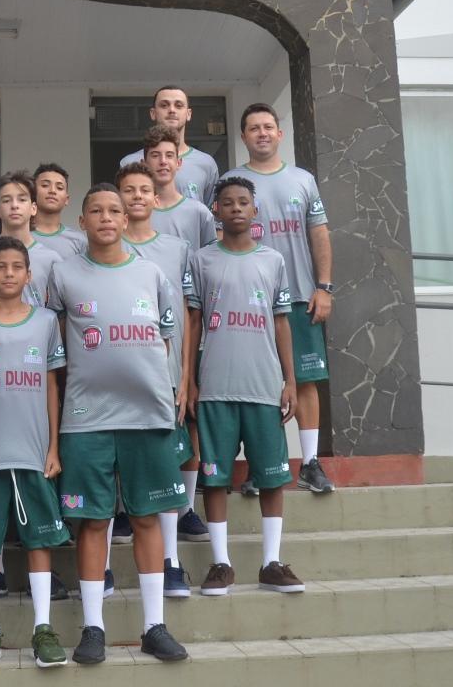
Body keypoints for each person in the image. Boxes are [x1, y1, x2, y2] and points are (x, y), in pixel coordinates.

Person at [47, 185, 189, 665]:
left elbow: (167, 339)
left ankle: (154, 625)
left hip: (147, 416)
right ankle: (93, 627)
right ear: (81, 220)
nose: (107, 218)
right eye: (97, 211)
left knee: (147, 517)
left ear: (126, 219)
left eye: (115, 210)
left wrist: (163, 388)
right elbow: (54, 352)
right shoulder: (62, 275)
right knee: (93, 521)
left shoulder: (151, 273)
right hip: (86, 419)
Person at [188, 177, 305, 596]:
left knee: (272, 479)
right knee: (216, 480)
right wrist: (189, 379)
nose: (236, 208)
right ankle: (221, 564)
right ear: (215, 210)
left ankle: (271, 562)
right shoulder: (201, 260)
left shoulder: (273, 260)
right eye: (227, 202)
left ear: (255, 211)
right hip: (216, 388)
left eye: (244, 202)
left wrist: (290, 380)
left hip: (263, 387)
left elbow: (280, 322)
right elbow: (194, 322)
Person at [0, 237, 70, 670]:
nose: (8, 273)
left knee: (39, 538)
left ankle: (43, 628)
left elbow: (52, 388)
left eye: (16, 267)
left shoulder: (45, 322)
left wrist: (54, 445)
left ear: (28, 274)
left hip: (34, 449)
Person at [232, 104, 335, 495]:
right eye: (253, 128)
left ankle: (309, 463)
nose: (261, 133)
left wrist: (324, 287)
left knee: (305, 381)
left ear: (279, 134)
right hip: (249, 304)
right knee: (260, 385)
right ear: (243, 136)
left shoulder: (302, 180)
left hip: (300, 298)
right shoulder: (231, 181)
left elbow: (319, 234)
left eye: (268, 127)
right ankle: (264, 466)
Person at [116, 162, 207, 601]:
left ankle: (170, 561)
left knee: (165, 469)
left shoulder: (176, 249)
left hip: (164, 380)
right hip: (112, 383)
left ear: (155, 198)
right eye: (127, 190)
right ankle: (110, 566)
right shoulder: (99, 249)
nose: (136, 197)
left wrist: (186, 378)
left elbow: (188, 318)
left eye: (143, 190)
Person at [0, 170, 61, 311]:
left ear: (33, 208)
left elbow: (56, 314)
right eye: (6, 200)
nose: (14, 205)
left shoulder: (52, 260)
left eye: (22, 199)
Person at [120, 86, 221, 205]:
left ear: (188, 114)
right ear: (153, 113)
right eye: (164, 105)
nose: (172, 110)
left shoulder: (206, 163)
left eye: (178, 105)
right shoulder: (130, 163)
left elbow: (212, 213)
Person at [141, 125, 218, 255]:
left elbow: (210, 261)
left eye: (169, 155)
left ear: (179, 163)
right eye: (155, 155)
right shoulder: (135, 213)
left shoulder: (199, 212)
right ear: (144, 164)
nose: (163, 161)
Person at [31, 162, 87, 259]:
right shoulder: (19, 237)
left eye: (59, 187)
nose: (52, 191)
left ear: (67, 199)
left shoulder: (79, 241)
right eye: (45, 185)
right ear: (32, 193)